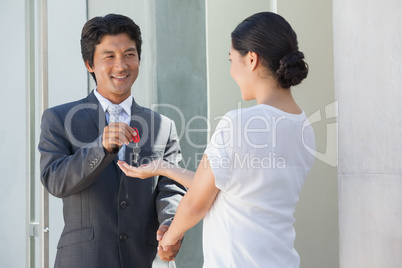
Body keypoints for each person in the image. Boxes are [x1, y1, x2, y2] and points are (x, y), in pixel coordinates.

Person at [118, 11, 316, 267]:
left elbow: (196, 203)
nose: (231, 70)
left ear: (252, 59)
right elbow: (224, 186)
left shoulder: (239, 124)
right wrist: (163, 167)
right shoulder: (304, 127)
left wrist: (168, 242)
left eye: (231, 59)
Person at [38, 14, 186, 268]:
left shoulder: (163, 125)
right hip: (85, 259)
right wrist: (100, 147)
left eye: (129, 54)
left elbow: (171, 187)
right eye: (109, 56)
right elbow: (55, 181)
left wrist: (171, 225)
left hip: (146, 258)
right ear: (89, 64)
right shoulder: (59, 118)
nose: (121, 66)